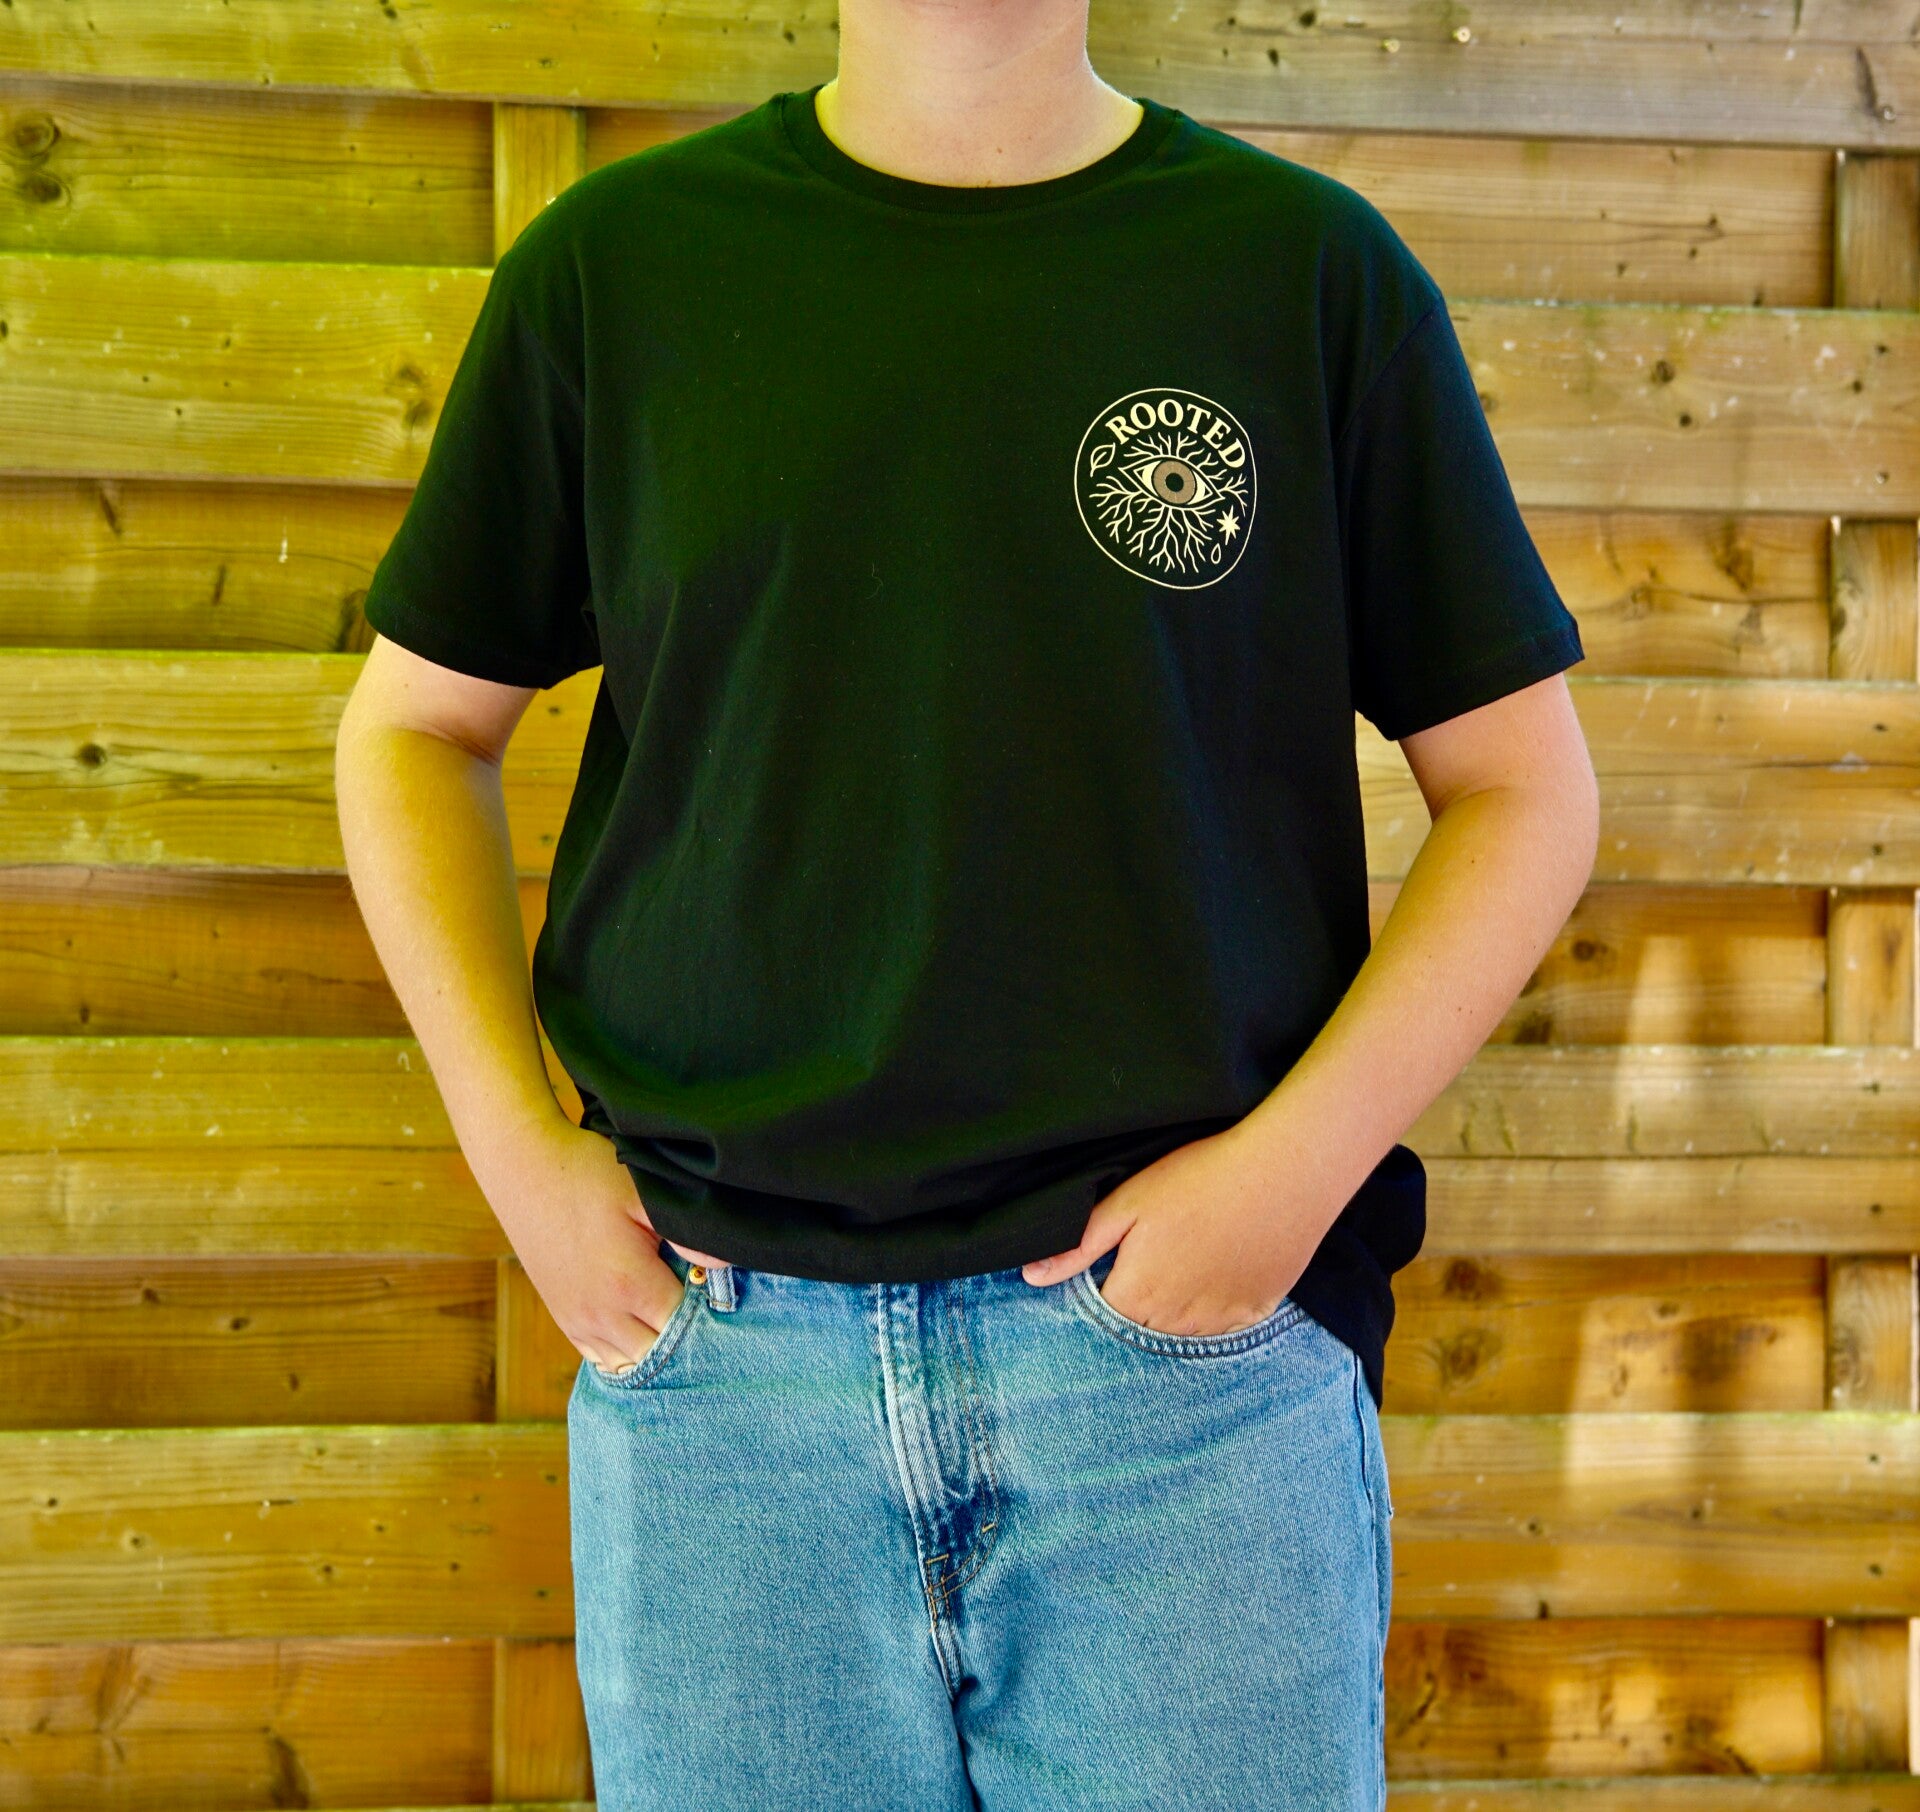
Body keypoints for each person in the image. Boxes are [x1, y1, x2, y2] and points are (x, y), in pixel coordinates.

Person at [333, 9, 1599, 1806]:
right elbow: (413, 730)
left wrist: (1288, 1177)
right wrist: (519, 1160)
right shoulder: (619, 272)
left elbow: (1526, 790)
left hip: (1185, 1385)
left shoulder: (1301, 275)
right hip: (723, 1373)